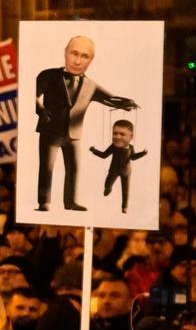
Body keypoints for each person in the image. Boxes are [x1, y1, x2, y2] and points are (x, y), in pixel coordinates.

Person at [33, 35, 138, 212]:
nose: (78, 60)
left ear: (91, 60)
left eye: (84, 56)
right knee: (46, 168)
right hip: (50, 131)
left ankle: (71, 201)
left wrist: (128, 103)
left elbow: (110, 99)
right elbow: (30, 94)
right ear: (65, 53)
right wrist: (41, 111)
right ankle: (44, 202)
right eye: (74, 53)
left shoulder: (91, 85)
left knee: (74, 169)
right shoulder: (48, 75)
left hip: (74, 134)